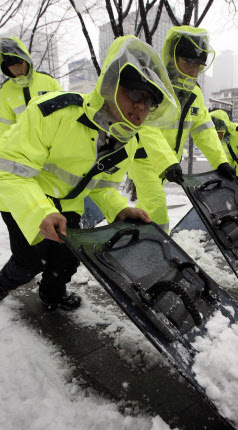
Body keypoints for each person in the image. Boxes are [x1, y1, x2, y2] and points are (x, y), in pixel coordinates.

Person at [0, 35, 178, 310]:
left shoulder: (128, 142)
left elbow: (102, 186)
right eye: (135, 94)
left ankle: (52, 294)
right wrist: (40, 211)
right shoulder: (54, 113)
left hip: (68, 203)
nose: (141, 107)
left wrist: (120, 208)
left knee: (68, 258)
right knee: (29, 261)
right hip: (21, 194)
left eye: (149, 102)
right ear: (111, 85)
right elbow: (9, 172)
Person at [128, 26, 234, 232]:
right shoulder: (154, 84)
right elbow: (146, 127)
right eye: (189, 63)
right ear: (172, 57)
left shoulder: (194, 93)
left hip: (167, 163)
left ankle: (137, 241)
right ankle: (158, 250)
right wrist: (167, 162)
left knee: (147, 207)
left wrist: (220, 161)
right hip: (143, 157)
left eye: (199, 65)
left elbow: (203, 129)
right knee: (156, 206)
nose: (194, 70)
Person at [0, 37, 62, 136]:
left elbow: (64, 115)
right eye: (9, 63)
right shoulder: (5, 91)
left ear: (25, 58)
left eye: (17, 60)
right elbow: (3, 129)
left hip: (53, 142)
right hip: (22, 148)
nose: (15, 67)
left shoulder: (48, 81)